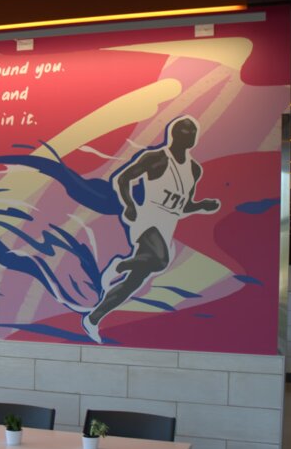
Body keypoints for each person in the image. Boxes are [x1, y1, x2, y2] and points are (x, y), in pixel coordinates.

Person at [82, 115, 221, 343]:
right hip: (147, 219)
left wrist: (201, 206)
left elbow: (182, 206)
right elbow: (122, 179)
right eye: (185, 132)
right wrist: (129, 205)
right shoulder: (157, 158)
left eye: (193, 133)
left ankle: (93, 319)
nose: (190, 136)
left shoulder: (194, 170)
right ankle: (119, 265)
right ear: (174, 135)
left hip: (167, 226)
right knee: (160, 260)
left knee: (133, 283)